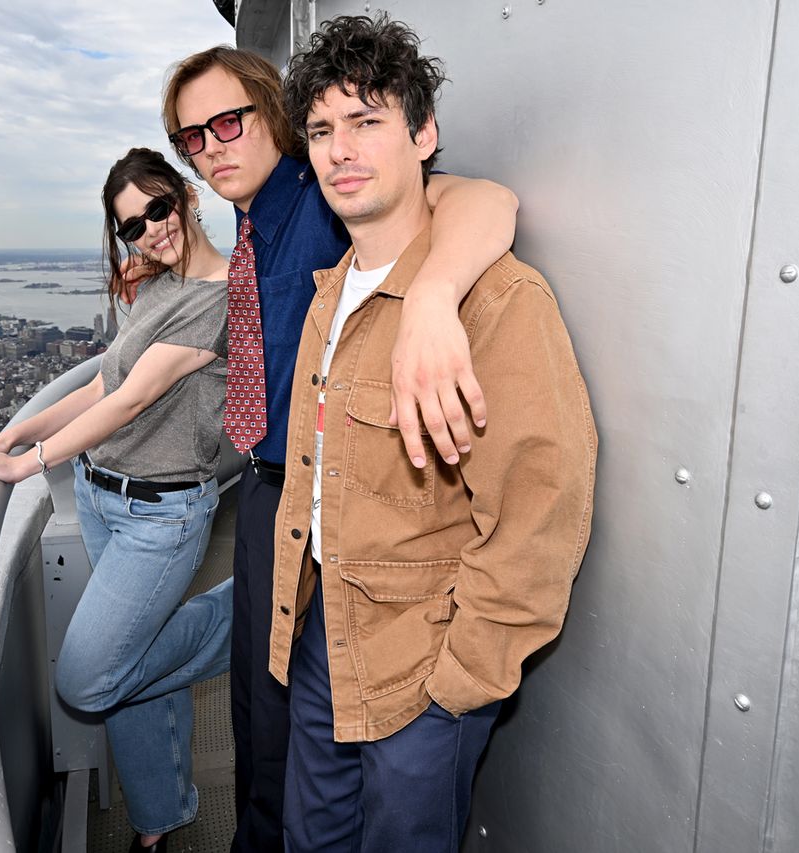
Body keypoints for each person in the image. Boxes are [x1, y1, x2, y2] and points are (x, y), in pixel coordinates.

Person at [161, 44, 521, 852]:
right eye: (193, 136)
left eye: (228, 121)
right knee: (258, 706)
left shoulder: (324, 197)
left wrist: (433, 294)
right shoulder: (256, 226)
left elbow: (485, 198)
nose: (212, 144)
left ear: (271, 115)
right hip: (274, 494)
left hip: (336, 505)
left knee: (286, 728)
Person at [268, 15, 597, 852]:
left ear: (423, 134)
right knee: (311, 839)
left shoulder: (495, 301)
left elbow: (539, 508)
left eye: (368, 120)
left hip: (423, 665)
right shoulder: (328, 291)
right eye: (321, 129)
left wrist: (457, 684)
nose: (341, 149)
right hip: (321, 636)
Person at [0, 148, 232, 853]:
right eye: (132, 226)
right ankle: (157, 816)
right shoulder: (157, 285)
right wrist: (13, 436)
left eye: (158, 208)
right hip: (103, 494)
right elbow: (104, 384)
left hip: (160, 515)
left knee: (87, 679)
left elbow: (136, 398)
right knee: (131, 668)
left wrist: (25, 469)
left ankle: (242, 612)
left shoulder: (218, 292)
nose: (151, 231)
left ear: (187, 195)